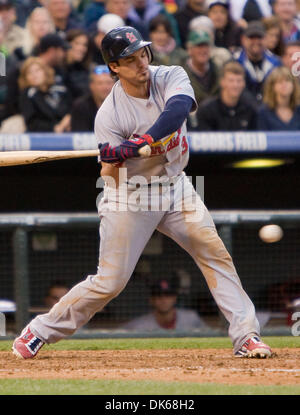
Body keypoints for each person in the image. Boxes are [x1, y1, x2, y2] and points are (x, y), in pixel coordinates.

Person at [12, 25, 273, 360]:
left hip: (176, 186)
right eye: (130, 59)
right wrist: (114, 157)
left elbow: (177, 108)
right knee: (110, 282)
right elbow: (109, 175)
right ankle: (38, 331)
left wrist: (143, 141)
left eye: (143, 54)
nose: (141, 64)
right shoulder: (109, 115)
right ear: (114, 68)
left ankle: (246, 336)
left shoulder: (170, 76)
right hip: (129, 195)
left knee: (214, 253)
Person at [1, 33, 69, 121]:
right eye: (62, 50)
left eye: (38, 71)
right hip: (21, 120)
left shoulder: (60, 74)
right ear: (52, 51)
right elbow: (11, 106)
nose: (64, 54)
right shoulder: (19, 73)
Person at [122, 277, 208, 331]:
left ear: (174, 298)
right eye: (159, 296)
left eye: (168, 295)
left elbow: (209, 335)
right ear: (151, 300)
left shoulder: (191, 319)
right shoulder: (140, 325)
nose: (164, 300)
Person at [193, 61, 257, 131]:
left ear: (244, 84)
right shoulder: (207, 110)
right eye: (231, 80)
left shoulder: (250, 109)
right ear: (222, 82)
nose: (235, 85)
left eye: (239, 81)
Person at [18, 56, 71, 132]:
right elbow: (32, 123)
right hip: (42, 135)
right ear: (25, 77)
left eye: (37, 70)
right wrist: (54, 128)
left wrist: (67, 121)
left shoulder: (60, 88)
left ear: (45, 71)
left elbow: (70, 108)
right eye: (29, 73)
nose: (34, 75)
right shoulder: (27, 94)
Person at [234, 20, 281, 103]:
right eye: (251, 38)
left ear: (266, 39)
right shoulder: (234, 62)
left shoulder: (276, 64)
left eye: (259, 37)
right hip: (243, 111)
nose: (256, 41)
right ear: (243, 39)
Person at [71, 65, 115, 131]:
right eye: (100, 83)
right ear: (92, 86)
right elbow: (81, 135)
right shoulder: (81, 106)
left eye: (108, 83)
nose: (105, 87)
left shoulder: (124, 106)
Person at [182, 30, 220, 106]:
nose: (203, 50)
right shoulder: (181, 74)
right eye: (199, 46)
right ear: (190, 50)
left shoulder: (217, 70)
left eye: (206, 46)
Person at [257, 66, 300, 130]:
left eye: (287, 81)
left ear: (293, 85)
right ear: (272, 87)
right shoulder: (263, 112)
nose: (284, 85)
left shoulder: (298, 110)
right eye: (280, 82)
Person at [65, 28, 91, 99]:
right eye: (77, 43)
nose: (81, 48)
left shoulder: (85, 70)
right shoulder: (59, 68)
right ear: (67, 44)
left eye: (84, 45)